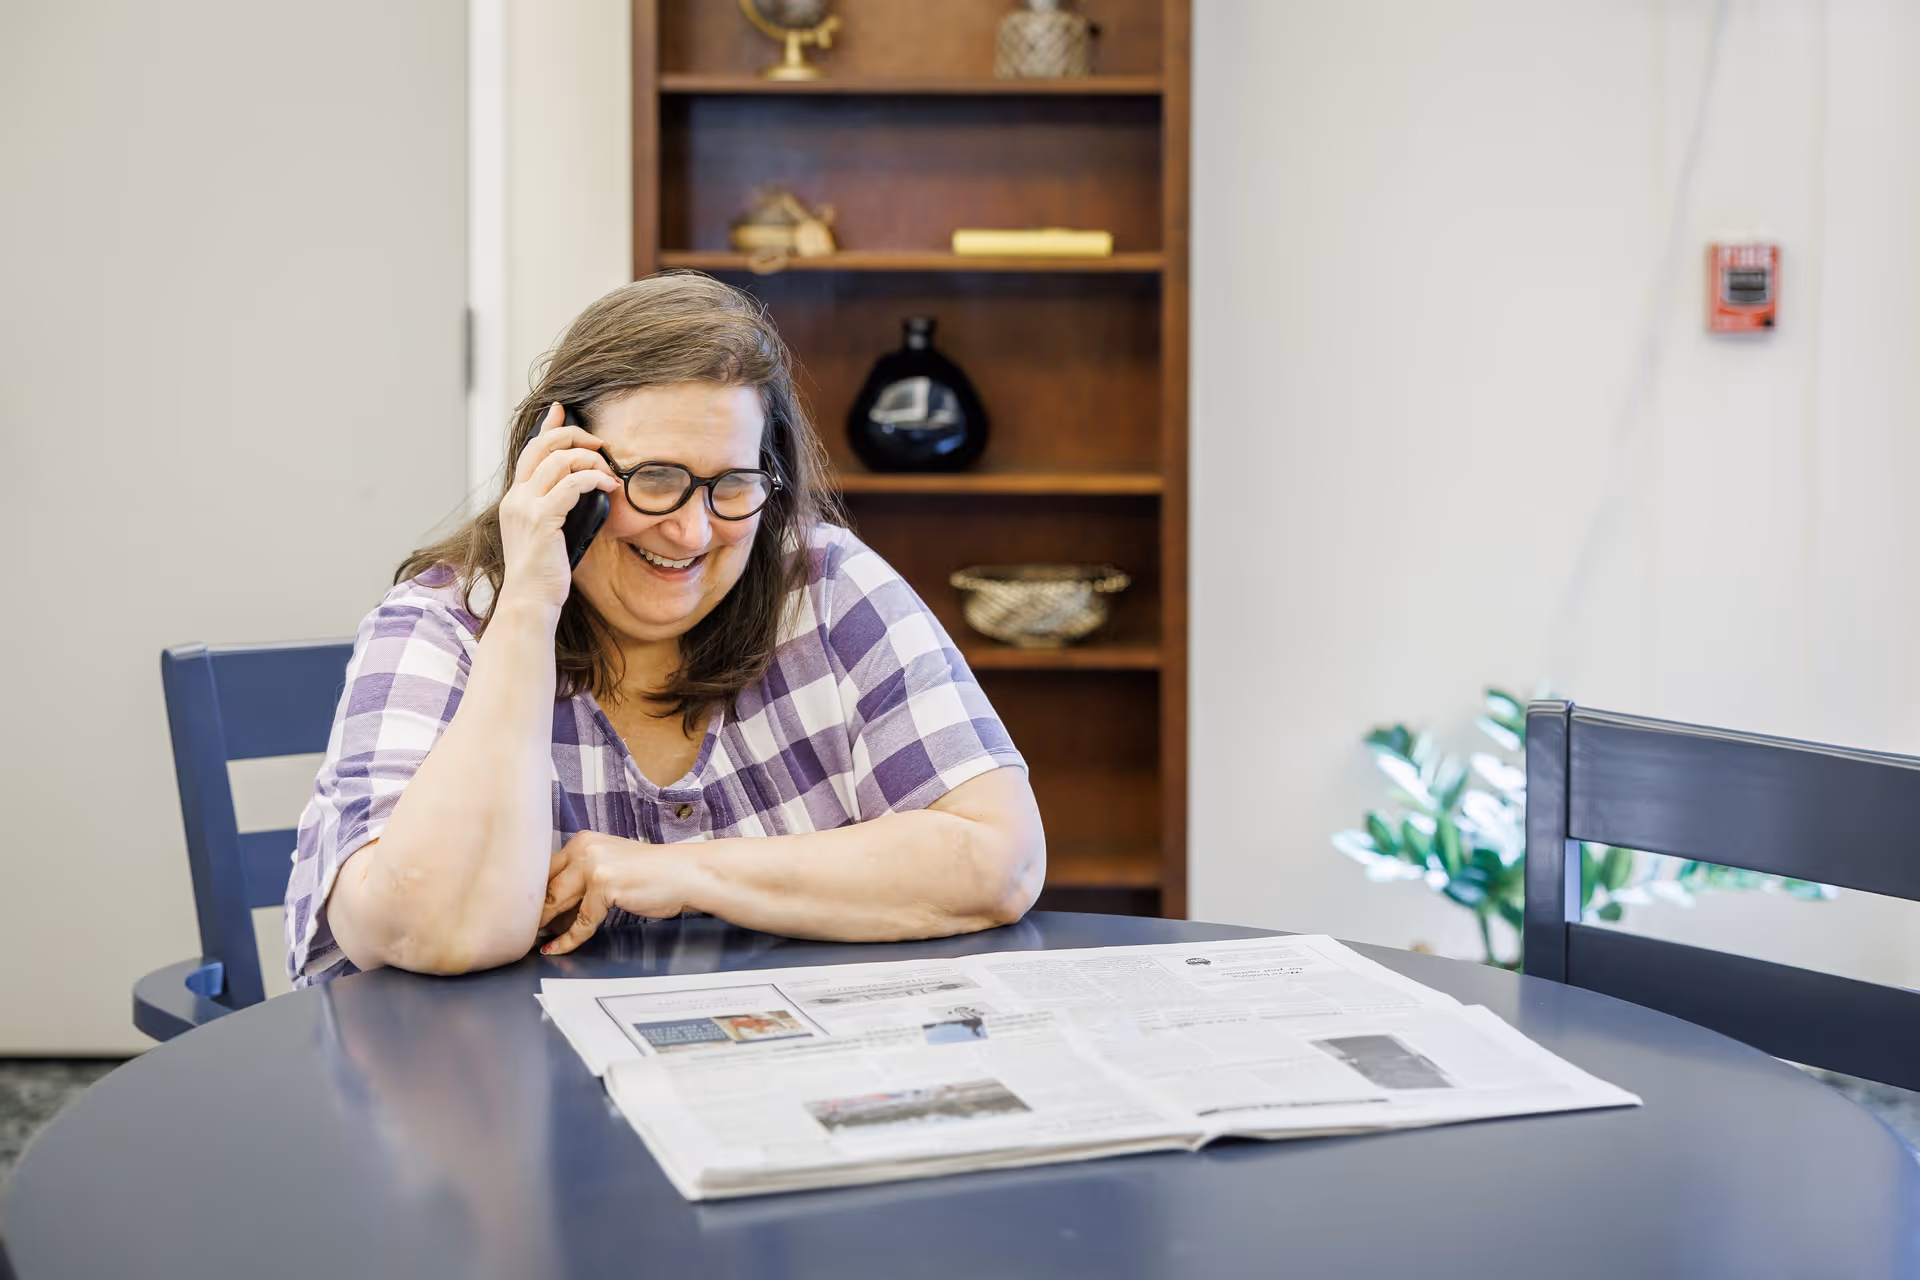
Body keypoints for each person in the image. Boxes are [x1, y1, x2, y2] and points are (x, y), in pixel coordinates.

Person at [284, 273, 1044, 987]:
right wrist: (528, 606)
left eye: (733, 485)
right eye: (653, 479)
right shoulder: (441, 626)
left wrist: (684, 870)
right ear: (558, 464)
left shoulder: (826, 588)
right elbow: (434, 932)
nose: (690, 531)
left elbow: (998, 862)